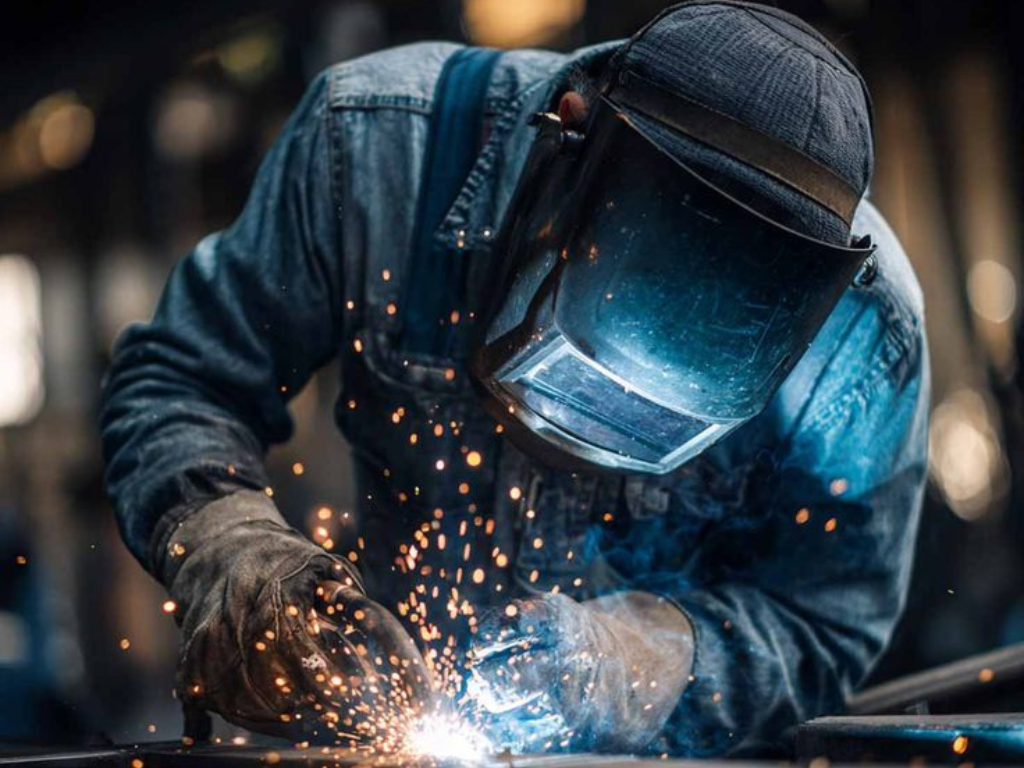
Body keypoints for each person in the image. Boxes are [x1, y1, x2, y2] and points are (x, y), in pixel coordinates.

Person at [100, 0, 929, 757]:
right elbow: (180, 379)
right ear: (565, 135)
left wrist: (647, 656)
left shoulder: (861, 339)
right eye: (589, 370)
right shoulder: (375, 149)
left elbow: (827, 617)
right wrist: (231, 546)